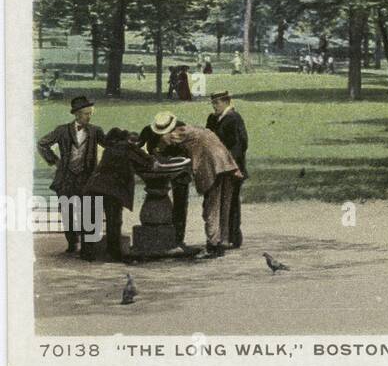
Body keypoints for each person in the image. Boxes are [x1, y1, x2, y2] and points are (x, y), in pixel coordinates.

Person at [151, 112, 243, 258]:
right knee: (223, 206)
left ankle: (213, 245)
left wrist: (156, 152)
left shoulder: (178, 133)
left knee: (211, 207)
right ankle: (222, 242)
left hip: (213, 166)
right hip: (226, 164)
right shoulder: (194, 129)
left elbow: (163, 144)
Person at [37, 95, 106, 256]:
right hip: (66, 178)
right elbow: (42, 144)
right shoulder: (61, 130)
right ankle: (72, 242)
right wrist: (55, 161)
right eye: (86, 113)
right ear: (77, 114)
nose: (89, 116)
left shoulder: (96, 130)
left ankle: (88, 245)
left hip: (87, 178)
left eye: (90, 113)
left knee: (87, 210)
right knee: (67, 211)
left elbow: (109, 145)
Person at [82, 129, 154, 262]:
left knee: (91, 221)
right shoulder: (127, 148)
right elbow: (148, 163)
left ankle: (87, 253)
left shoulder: (108, 150)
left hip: (93, 187)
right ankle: (114, 253)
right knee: (114, 222)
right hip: (112, 191)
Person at [205, 91, 249, 249]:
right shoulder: (212, 118)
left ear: (226, 102)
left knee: (231, 203)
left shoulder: (234, 118)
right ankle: (219, 236)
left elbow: (241, 145)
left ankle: (231, 237)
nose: (214, 106)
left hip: (232, 168)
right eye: (213, 103)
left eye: (217, 103)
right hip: (216, 167)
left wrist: (231, 165)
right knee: (218, 203)